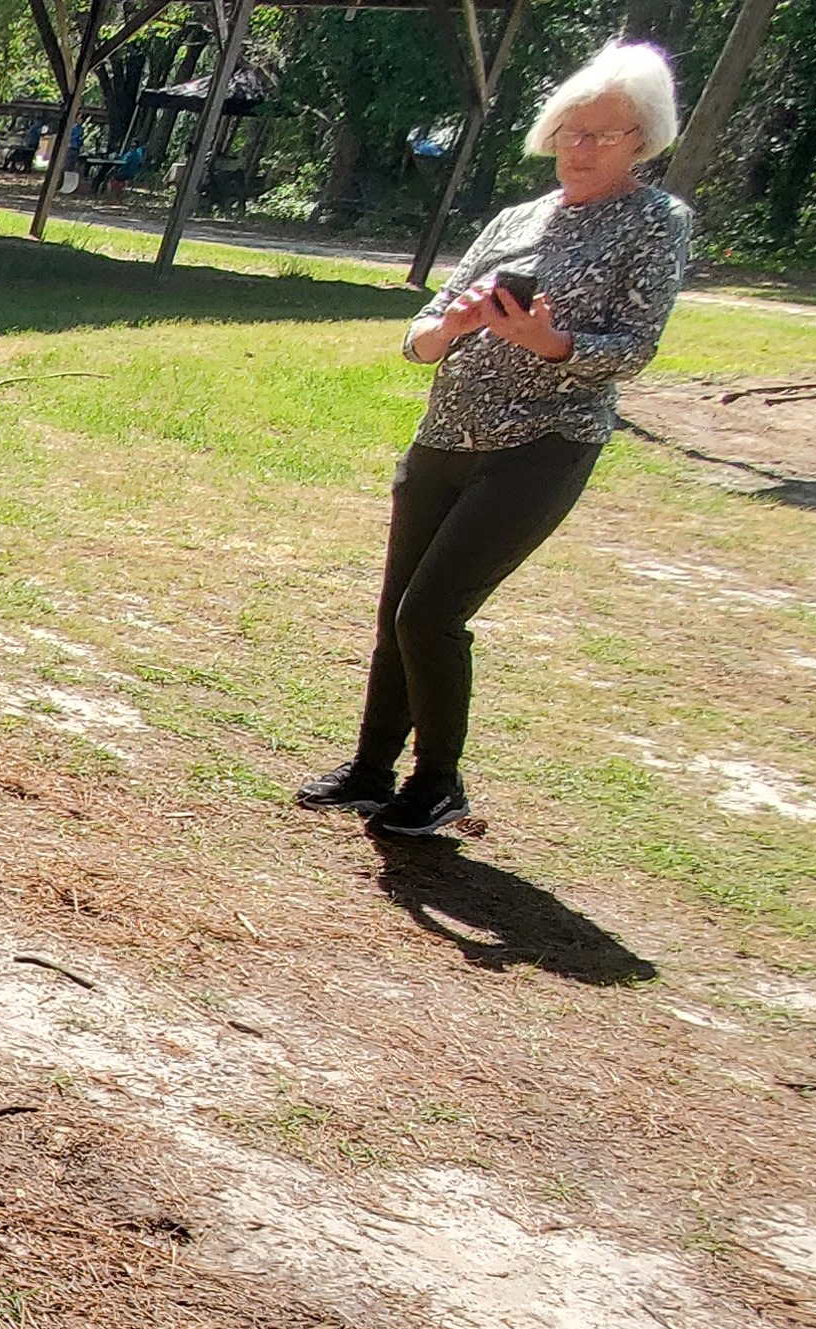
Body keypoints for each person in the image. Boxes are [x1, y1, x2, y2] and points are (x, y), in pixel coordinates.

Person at [299, 40, 693, 840]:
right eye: (570, 132)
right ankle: (372, 771)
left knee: (432, 612)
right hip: (444, 438)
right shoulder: (515, 219)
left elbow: (636, 347)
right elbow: (418, 337)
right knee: (397, 613)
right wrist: (450, 326)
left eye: (602, 135)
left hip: (541, 446)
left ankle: (438, 784)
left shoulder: (656, 223)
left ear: (642, 139)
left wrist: (552, 344)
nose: (579, 149)